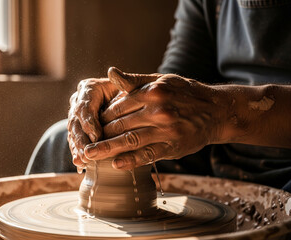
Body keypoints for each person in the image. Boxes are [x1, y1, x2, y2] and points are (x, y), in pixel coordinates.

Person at [26, 0, 291, 192]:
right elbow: (177, 86)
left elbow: (206, 107)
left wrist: (221, 114)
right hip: (219, 157)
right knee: (61, 144)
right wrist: (130, 102)